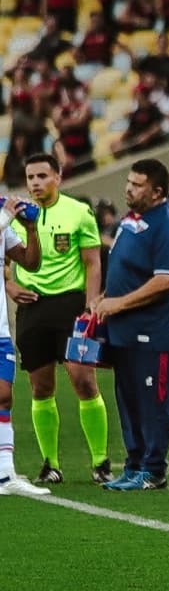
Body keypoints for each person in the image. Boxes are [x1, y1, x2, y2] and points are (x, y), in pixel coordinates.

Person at [8, 154, 110, 485]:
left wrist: (91, 301)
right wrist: (10, 286)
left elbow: (93, 261)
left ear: (58, 178)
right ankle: (50, 463)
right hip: (33, 306)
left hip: (71, 306)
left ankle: (100, 461)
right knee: (41, 386)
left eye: (42, 176)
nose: (35, 182)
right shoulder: (13, 217)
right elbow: (5, 261)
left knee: (83, 379)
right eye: (30, 177)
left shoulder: (79, 212)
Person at [96, 159, 169, 491]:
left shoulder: (168, 225)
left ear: (157, 191)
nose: (128, 188)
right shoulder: (131, 221)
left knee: (154, 404)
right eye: (128, 181)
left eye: (137, 185)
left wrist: (117, 303)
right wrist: (104, 298)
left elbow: (166, 280)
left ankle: (154, 470)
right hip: (125, 331)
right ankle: (134, 465)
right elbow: (126, 269)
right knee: (129, 402)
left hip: (156, 332)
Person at [0, 198, 50, 497]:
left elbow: (31, 261)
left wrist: (31, 229)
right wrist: (6, 216)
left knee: (4, 397)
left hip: (0, 330)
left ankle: (6, 474)